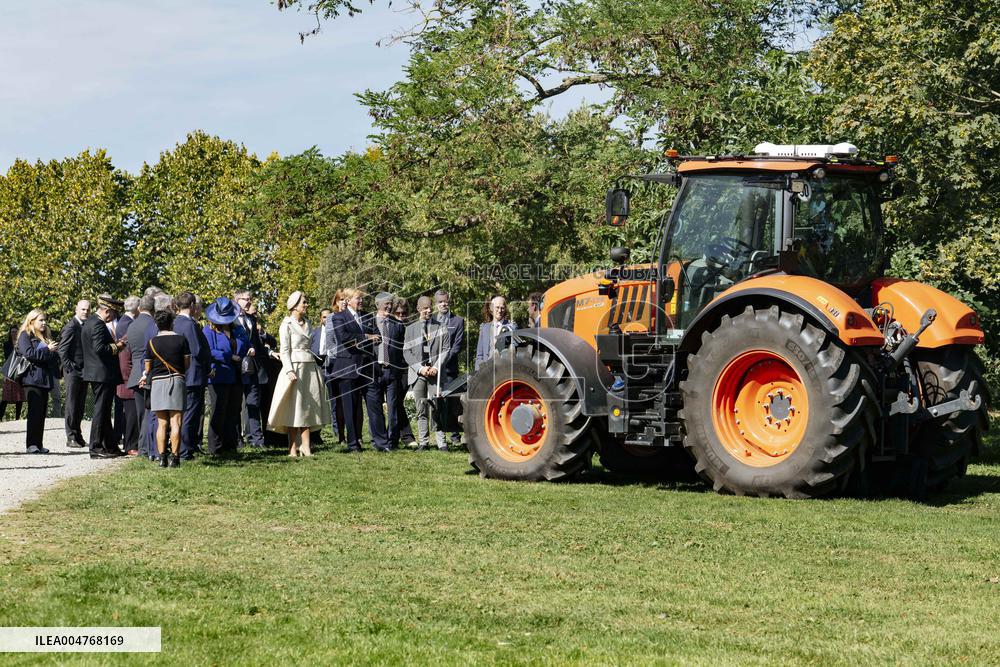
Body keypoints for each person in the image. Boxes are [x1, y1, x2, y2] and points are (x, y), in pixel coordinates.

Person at [268, 291, 331, 456]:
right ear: (294, 305)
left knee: (308, 406)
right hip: (294, 369)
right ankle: (292, 448)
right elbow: (285, 350)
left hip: (309, 367)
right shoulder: (286, 324)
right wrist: (288, 370)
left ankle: (306, 446)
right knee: (293, 407)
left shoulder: (308, 323)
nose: (306, 305)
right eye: (304, 302)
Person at [330, 288, 379, 452]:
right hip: (347, 367)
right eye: (358, 299)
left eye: (362, 299)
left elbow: (377, 335)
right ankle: (352, 443)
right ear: (349, 300)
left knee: (374, 404)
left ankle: (381, 442)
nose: (361, 302)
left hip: (367, 366)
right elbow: (344, 338)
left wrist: (372, 338)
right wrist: (366, 337)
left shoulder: (367, 316)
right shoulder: (339, 317)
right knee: (349, 407)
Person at [141, 310, 191, 468]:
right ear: (172, 322)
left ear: (157, 324)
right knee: (176, 422)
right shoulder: (181, 340)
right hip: (177, 380)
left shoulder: (151, 342)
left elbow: (147, 367)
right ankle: (175, 458)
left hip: (157, 383)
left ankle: (162, 457)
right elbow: (187, 364)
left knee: (161, 423)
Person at [82, 295, 127, 459]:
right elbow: (100, 349)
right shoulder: (98, 325)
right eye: (114, 313)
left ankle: (110, 446)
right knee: (101, 411)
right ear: (107, 311)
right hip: (102, 374)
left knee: (105, 410)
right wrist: (118, 346)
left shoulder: (90, 322)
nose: (114, 317)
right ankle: (95, 447)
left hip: (97, 374)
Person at [404, 296, 451, 451]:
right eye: (425, 308)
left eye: (430, 307)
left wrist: (436, 367)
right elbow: (407, 352)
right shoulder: (410, 329)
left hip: (435, 374)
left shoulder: (441, 327)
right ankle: (424, 442)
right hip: (418, 375)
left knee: (437, 408)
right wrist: (420, 368)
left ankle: (441, 442)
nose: (428, 310)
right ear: (418, 309)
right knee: (421, 408)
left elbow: (446, 349)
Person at [204, 297, 247, 457]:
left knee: (233, 411)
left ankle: (231, 444)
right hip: (219, 375)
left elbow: (246, 344)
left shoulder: (237, 329)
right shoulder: (208, 331)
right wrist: (229, 357)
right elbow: (210, 351)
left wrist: (243, 351)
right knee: (218, 411)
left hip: (237, 375)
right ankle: (215, 446)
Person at [363, 292, 406, 452]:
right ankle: (379, 442)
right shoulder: (368, 323)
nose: (389, 306)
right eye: (386, 303)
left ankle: (392, 441)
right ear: (377, 305)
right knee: (375, 409)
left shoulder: (398, 325)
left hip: (392, 371)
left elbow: (402, 348)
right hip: (374, 371)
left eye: (390, 303)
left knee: (393, 407)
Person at [173, 292, 212, 460]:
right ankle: (184, 449)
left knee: (185, 413)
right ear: (192, 306)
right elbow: (196, 350)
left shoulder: (176, 322)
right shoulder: (189, 325)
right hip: (193, 375)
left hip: (183, 373)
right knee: (190, 414)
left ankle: (184, 447)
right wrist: (207, 366)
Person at [16, 310, 60, 454]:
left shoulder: (44, 337)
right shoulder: (25, 335)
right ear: (31, 321)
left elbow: (49, 357)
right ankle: (31, 444)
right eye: (41, 320)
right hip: (31, 379)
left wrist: (53, 353)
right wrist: (48, 350)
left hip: (44, 379)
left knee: (41, 413)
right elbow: (29, 354)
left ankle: (38, 444)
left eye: (44, 320)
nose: (44, 323)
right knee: (34, 412)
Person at [233, 290, 269, 449]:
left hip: (253, 367)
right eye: (245, 299)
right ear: (236, 300)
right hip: (236, 366)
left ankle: (256, 438)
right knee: (235, 406)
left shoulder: (251, 319)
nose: (249, 302)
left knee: (253, 402)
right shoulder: (230, 320)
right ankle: (236, 439)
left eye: (250, 299)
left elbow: (256, 342)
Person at [125, 295, 158, 459]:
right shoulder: (154, 325)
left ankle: (142, 446)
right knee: (150, 413)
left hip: (135, 373)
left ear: (139, 308)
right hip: (149, 371)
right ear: (153, 309)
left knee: (140, 414)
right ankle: (148, 448)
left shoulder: (131, 325)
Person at [434, 290, 465, 447]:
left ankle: (455, 436)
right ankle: (439, 436)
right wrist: (434, 364)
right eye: (440, 301)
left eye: (445, 301)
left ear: (449, 302)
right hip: (434, 370)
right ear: (436, 304)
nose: (443, 304)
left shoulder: (458, 321)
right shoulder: (431, 320)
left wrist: (442, 361)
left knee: (452, 401)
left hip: (449, 368)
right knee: (437, 403)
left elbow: (457, 347)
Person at [58, 299, 91, 448]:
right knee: (72, 404)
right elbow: (62, 350)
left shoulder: (85, 325)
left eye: (88, 310)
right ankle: (70, 436)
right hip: (73, 372)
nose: (85, 312)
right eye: (83, 309)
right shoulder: (71, 326)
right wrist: (70, 368)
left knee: (80, 404)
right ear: (76, 310)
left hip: (83, 371)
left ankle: (77, 434)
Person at [113, 296, 139, 450]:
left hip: (125, 376)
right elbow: (124, 355)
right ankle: (128, 443)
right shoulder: (127, 325)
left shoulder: (125, 323)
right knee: (127, 413)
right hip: (126, 377)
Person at [391, 298, 416, 447]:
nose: (401, 315)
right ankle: (405, 436)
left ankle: (398, 434)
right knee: (396, 402)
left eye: (404, 312)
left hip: (406, 368)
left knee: (397, 402)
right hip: (394, 368)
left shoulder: (410, 327)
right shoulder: (392, 326)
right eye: (398, 312)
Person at [476, 295, 518, 370]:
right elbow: (480, 355)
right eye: (497, 307)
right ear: (491, 309)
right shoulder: (484, 328)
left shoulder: (512, 326)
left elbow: (516, 350)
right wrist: (478, 373)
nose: (500, 310)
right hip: (487, 372)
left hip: (504, 371)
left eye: (502, 308)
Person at [1, 325, 25, 421]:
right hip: (10, 372)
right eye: (12, 332)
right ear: (10, 334)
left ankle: (17, 418)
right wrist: (15, 347)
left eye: (15, 332)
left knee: (19, 396)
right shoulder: (7, 344)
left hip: (19, 371)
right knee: (6, 396)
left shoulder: (22, 343)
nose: (14, 334)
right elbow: (8, 357)